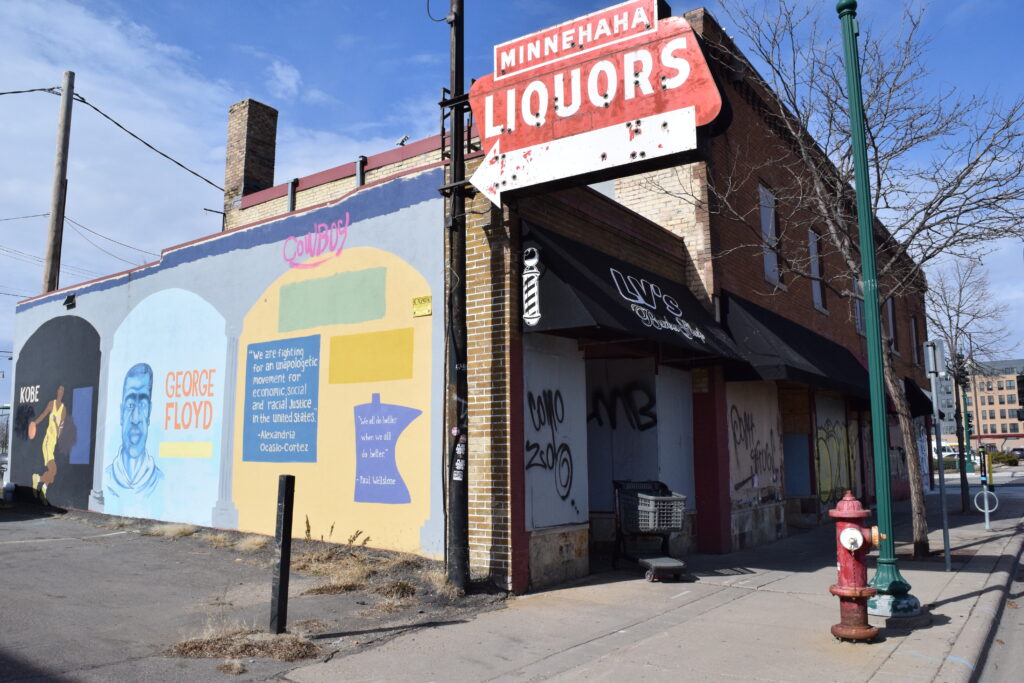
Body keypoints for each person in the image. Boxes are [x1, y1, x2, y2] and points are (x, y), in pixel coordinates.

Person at [105, 363, 163, 500]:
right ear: (121, 413)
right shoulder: (106, 480)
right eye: (130, 404)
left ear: (149, 413)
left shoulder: (160, 481)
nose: (135, 418)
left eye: (142, 405)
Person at [29, 385, 65, 504]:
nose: (60, 392)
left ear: (63, 393)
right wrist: (34, 422)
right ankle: (43, 493)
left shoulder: (63, 409)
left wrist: (56, 425)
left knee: (52, 474)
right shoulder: (51, 404)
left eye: (62, 390)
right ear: (57, 391)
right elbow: (44, 415)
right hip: (47, 442)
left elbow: (60, 430)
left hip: (53, 443)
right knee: (53, 470)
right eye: (59, 389)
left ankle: (37, 478)